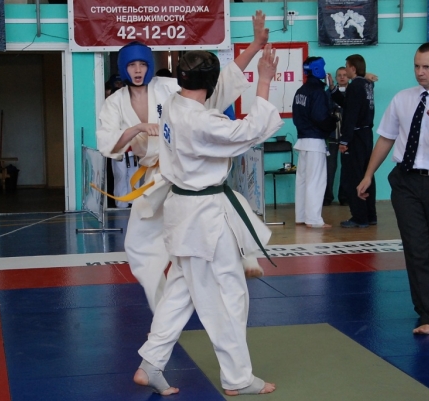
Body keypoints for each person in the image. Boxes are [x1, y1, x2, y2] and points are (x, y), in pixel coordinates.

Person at [96, 11, 271, 312]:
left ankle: (246, 255)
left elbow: (219, 85)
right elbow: (108, 143)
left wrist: (254, 46)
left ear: (150, 66)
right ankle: (164, 303)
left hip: (179, 171)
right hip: (152, 179)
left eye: (142, 64)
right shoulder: (114, 103)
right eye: (131, 65)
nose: (137, 70)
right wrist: (137, 128)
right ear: (123, 68)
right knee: (139, 247)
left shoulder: (167, 89)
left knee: (221, 203)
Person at [133, 44, 283, 396]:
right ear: (211, 83)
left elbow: (213, 95)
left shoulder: (173, 103)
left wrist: (252, 52)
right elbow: (251, 131)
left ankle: (151, 361)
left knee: (180, 291)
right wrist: (264, 80)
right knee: (227, 295)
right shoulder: (201, 121)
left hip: (183, 214)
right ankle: (237, 378)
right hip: (204, 220)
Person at [357, 42, 429, 335]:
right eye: (417, 66)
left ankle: (425, 304)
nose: (420, 72)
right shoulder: (402, 99)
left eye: (427, 67)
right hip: (405, 181)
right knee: (416, 247)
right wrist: (368, 175)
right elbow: (386, 138)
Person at [330, 54, 376, 228]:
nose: (345, 70)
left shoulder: (355, 86)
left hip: (355, 136)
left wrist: (344, 140)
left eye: (347, 66)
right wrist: (334, 90)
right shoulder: (367, 85)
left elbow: (350, 115)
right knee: (367, 174)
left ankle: (359, 217)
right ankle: (370, 215)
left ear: (353, 68)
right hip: (366, 134)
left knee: (353, 177)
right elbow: (350, 104)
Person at [292, 56, 336, 228]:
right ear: (317, 70)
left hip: (303, 139)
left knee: (303, 181)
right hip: (315, 140)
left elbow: (297, 116)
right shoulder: (317, 92)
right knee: (315, 181)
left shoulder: (300, 91)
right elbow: (320, 117)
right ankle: (313, 220)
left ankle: (301, 216)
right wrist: (332, 122)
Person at [323, 66, 349, 206]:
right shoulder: (329, 93)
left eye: (345, 74)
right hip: (332, 134)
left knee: (347, 167)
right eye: (339, 75)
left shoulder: (353, 91)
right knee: (330, 167)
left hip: (347, 135)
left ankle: (344, 196)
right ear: (336, 77)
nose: (342, 77)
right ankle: (327, 196)